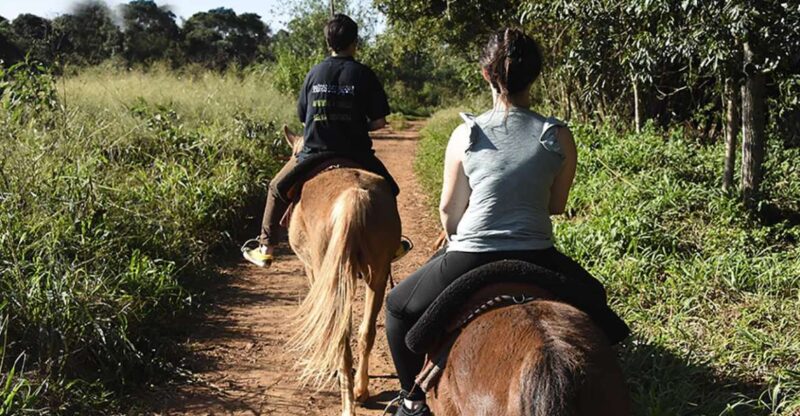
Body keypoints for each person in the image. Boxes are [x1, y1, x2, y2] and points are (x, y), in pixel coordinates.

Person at [384, 28, 630, 416]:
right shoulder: (558, 135)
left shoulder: (467, 133)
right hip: (538, 254)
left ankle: (411, 400)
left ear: (486, 74)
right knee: (596, 300)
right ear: (536, 75)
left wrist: (457, 236)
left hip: (470, 256)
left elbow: (449, 211)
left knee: (398, 309)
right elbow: (557, 203)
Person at [242, 13, 411, 267]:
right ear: (355, 42)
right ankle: (393, 244)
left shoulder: (314, 73)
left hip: (313, 152)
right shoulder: (364, 74)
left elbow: (303, 117)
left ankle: (266, 247)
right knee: (390, 188)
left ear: (328, 43)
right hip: (356, 153)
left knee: (276, 188)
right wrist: (354, 124)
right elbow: (378, 123)